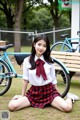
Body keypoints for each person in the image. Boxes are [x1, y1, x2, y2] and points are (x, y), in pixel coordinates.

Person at [8, 34, 79, 112]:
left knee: (67, 108)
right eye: (39, 44)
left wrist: (58, 96)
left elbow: (53, 80)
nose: (41, 48)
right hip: (33, 93)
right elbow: (25, 79)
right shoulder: (27, 61)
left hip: (49, 92)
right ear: (34, 44)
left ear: (46, 48)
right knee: (12, 106)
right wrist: (22, 95)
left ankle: (70, 97)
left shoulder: (49, 61)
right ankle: (18, 97)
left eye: (44, 46)